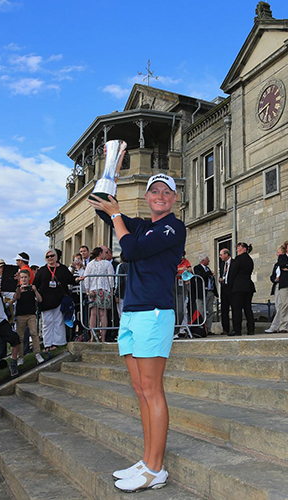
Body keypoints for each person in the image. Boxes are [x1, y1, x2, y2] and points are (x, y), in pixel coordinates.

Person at [89, 172, 186, 493]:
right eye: (154, 191)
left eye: (166, 192)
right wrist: (109, 171)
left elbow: (131, 250)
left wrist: (117, 214)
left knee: (152, 389)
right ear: (146, 197)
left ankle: (156, 469)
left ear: (174, 198)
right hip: (131, 312)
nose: (160, 195)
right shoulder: (143, 225)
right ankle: (146, 461)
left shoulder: (174, 226)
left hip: (154, 313)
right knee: (139, 388)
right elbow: (100, 206)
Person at [34, 249, 76, 350]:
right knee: (47, 322)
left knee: (58, 321)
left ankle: (58, 342)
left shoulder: (62, 269)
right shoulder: (42, 270)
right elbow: (35, 284)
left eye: (52, 256)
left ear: (56, 256)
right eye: (48, 257)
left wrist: (78, 279)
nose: (50, 258)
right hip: (45, 300)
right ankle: (47, 343)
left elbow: (71, 279)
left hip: (60, 298)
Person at [10, 269, 45, 364]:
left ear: (29, 278)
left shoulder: (32, 288)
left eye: (25, 277)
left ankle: (37, 353)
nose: (24, 279)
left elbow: (40, 300)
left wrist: (35, 290)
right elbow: (15, 298)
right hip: (20, 315)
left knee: (34, 333)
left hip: (31, 315)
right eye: (22, 277)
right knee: (20, 337)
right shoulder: (18, 288)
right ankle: (20, 356)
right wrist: (19, 289)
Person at [85, 247, 115, 342]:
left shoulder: (90, 264)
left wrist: (87, 290)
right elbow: (111, 278)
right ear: (100, 253)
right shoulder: (107, 264)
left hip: (93, 290)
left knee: (93, 314)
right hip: (104, 290)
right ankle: (103, 337)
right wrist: (111, 290)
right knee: (103, 314)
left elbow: (86, 278)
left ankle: (92, 336)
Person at [227, 242, 256, 336]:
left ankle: (237, 330)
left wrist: (230, 286)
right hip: (248, 286)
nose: (237, 250)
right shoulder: (250, 260)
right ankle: (251, 329)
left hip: (238, 287)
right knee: (248, 308)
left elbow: (232, 273)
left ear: (243, 248)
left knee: (237, 309)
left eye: (238, 248)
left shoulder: (238, 259)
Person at [193, 254, 217, 334]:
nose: (209, 261)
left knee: (210, 311)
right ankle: (202, 328)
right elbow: (201, 275)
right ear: (203, 260)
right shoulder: (197, 268)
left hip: (210, 291)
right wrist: (209, 273)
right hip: (203, 292)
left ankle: (209, 329)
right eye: (207, 259)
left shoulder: (208, 269)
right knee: (202, 311)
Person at [265, 245, 286, 333]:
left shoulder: (285, 262)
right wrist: (275, 279)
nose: (277, 254)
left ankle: (275, 326)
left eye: (278, 252)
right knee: (278, 306)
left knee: (281, 306)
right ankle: (278, 326)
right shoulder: (276, 265)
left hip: (284, 286)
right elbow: (272, 276)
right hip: (277, 285)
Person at [218, 248, 233, 335]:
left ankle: (235, 328)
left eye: (221, 255)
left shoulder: (233, 262)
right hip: (224, 287)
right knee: (224, 309)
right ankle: (225, 328)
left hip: (231, 288)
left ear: (226, 254)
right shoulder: (222, 264)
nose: (220, 257)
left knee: (234, 308)